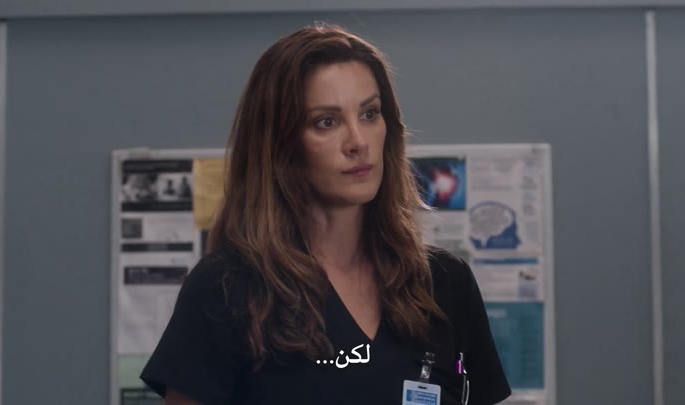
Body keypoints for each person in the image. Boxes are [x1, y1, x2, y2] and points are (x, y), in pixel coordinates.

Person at [140, 25, 511, 405]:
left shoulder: (445, 283)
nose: (358, 142)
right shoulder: (226, 289)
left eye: (369, 114)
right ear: (280, 144)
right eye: (326, 122)